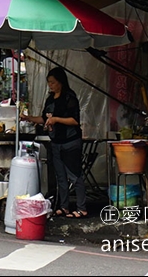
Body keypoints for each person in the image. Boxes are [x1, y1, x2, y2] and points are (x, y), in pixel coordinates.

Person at [20, 66, 86, 218]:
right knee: (60, 177)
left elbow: (74, 120)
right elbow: (44, 118)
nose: (50, 85)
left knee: (75, 175)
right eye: (49, 82)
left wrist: (56, 119)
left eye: (53, 82)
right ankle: (64, 206)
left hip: (70, 142)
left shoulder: (70, 98)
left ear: (61, 82)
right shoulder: (50, 99)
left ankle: (82, 208)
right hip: (55, 142)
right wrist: (29, 118)